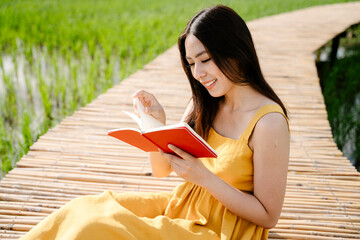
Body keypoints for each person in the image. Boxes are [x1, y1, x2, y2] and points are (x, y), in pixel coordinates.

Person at [19, 5, 290, 240]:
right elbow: (161, 170)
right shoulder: (203, 102)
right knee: (86, 208)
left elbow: (268, 216)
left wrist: (204, 177)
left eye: (205, 60)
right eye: (191, 63)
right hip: (182, 205)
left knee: (95, 227)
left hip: (220, 228)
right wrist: (155, 124)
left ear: (235, 52)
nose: (198, 73)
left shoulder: (268, 123)